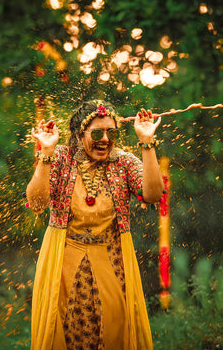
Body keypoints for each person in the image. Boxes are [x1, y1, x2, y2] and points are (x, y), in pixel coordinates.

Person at [26, 99, 163, 349]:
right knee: (63, 334)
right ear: (80, 135)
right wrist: (45, 154)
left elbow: (153, 194)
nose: (105, 139)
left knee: (114, 333)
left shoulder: (123, 162)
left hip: (112, 263)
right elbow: (36, 203)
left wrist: (147, 144)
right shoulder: (61, 158)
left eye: (111, 133)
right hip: (63, 266)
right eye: (97, 133)